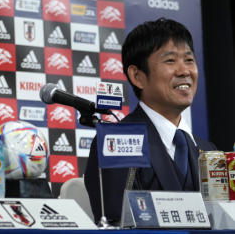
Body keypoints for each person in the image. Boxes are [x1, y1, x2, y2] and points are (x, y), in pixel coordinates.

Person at [85, 18, 216, 224]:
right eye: (170, 61)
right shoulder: (117, 143)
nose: (185, 71)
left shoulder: (208, 152)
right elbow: (118, 222)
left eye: (189, 60)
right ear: (137, 76)